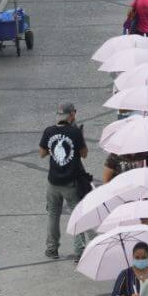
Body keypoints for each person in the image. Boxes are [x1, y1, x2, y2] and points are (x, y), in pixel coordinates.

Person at [40, 103, 89, 260]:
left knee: (53, 215)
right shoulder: (75, 132)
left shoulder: (49, 131)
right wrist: (79, 139)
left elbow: (42, 153)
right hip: (71, 182)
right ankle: (79, 251)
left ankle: (51, 249)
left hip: (53, 182)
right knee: (76, 215)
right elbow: (84, 154)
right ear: (71, 115)